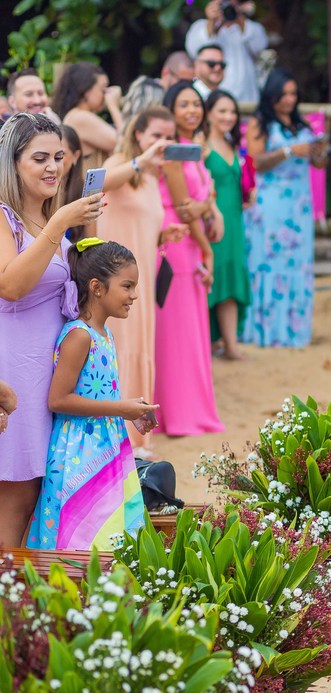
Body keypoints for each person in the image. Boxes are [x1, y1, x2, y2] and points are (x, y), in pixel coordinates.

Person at [0, 113, 104, 544]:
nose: (52, 167)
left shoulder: (50, 222)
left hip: (51, 373)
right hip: (14, 369)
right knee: (17, 495)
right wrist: (61, 222)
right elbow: (11, 285)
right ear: (12, 162)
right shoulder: (4, 217)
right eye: (39, 158)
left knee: (42, 493)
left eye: (59, 158)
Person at [29, 239, 155, 550]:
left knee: (108, 532)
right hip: (78, 455)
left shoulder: (105, 334)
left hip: (104, 447)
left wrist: (130, 410)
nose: (134, 295)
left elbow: (98, 394)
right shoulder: (79, 336)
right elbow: (58, 400)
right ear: (97, 287)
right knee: (83, 540)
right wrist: (121, 409)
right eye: (127, 286)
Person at [98, 106, 182, 453]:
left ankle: (138, 434)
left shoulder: (152, 177)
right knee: (120, 349)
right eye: (156, 135)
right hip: (112, 278)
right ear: (139, 135)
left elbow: (138, 223)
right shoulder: (122, 162)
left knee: (140, 348)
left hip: (141, 280)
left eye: (169, 137)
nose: (163, 142)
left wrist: (163, 235)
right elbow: (97, 183)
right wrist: (139, 161)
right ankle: (119, 436)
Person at [156, 82, 223, 436]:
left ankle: (192, 408)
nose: (192, 110)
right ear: (170, 109)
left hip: (192, 238)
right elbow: (183, 208)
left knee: (193, 327)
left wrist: (208, 207)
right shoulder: (171, 152)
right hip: (177, 239)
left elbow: (202, 198)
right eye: (184, 104)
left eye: (196, 104)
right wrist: (207, 249)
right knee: (178, 330)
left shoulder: (193, 149)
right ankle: (176, 413)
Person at [243, 68, 326, 348]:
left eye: (293, 94)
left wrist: (319, 151)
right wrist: (289, 151)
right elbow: (256, 162)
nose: (290, 99)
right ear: (272, 95)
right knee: (269, 262)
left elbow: (318, 164)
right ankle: (267, 331)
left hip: (299, 205)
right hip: (272, 203)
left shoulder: (301, 125)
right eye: (284, 94)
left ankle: (294, 331)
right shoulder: (260, 123)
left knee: (298, 264)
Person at [204, 89, 250, 359]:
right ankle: (208, 342)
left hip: (234, 221)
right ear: (208, 113)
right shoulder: (202, 146)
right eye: (222, 111)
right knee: (212, 279)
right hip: (212, 222)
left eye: (232, 111)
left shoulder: (232, 144)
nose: (228, 116)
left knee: (231, 279)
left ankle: (231, 344)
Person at [185, 2, 267, 105]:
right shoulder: (200, 26)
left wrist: (240, 19)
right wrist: (212, 22)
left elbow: (260, 47)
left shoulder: (252, 27)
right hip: (210, 102)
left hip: (246, 101)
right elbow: (194, 51)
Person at [53, 63, 123, 174]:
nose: (106, 95)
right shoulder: (80, 117)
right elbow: (125, 144)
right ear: (85, 90)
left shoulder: (77, 115)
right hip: (88, 185)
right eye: (103, 89)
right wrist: (113, 106)